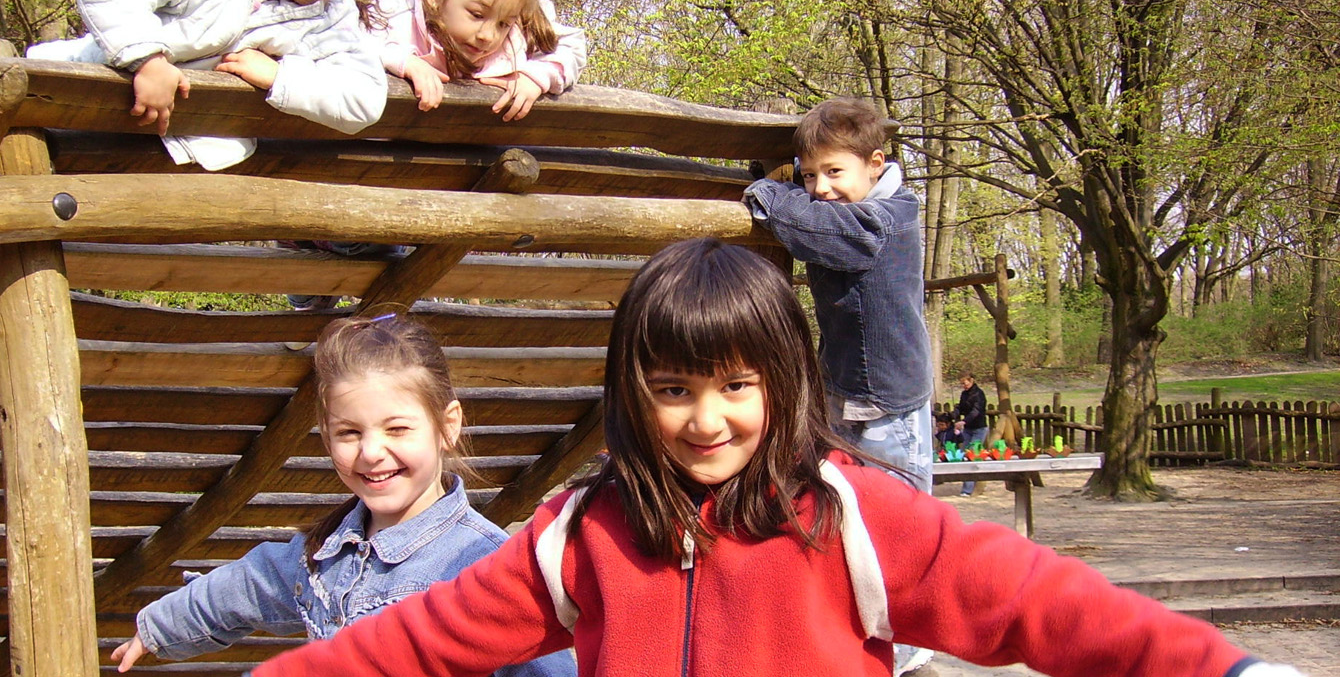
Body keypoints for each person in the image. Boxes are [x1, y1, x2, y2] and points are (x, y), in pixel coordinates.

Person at [248, 238, 1305, 677]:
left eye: (735, 387)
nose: (706, 419)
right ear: (634, 394)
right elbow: (422, 639)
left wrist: (1221, 666)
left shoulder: (851, 515)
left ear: (782, 385)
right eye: (672, 391)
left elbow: (1037, 598)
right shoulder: (586, 534)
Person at [109, 314, 574, 676]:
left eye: (397, 428)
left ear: (446, 426)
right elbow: (247, 587)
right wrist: (158, 629)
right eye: (349, 432)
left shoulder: (486, 564)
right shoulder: (325, 553)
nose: (372, 453)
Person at [742, 97, 935, 672]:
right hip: (849, 393)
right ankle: (856, 635)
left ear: (876, 163)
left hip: (889, 404)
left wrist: (770, 194)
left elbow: (822, 230)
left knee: (897, 526)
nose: (820, 188)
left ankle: (905, 653)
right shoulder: (853, 207)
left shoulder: (887, 216)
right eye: (808, 175)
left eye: (834, 172)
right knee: (844, 515)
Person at [27, 0, 389, 170]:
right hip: (77, 110)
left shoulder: (329, 10)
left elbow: (365, 97)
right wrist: (148, 60)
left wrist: (282, 77)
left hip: (185, 151)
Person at [370, 0, 587, 122]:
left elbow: (571, 46)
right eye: (477, 15)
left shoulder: (522, 25)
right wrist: (405, 62)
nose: (488, 36)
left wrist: (537, 76)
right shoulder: (394, 15)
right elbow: (348, 38)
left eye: (503, 24)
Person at [951, 372, 989, 496]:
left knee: (972, 454)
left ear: (971, 380)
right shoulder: (964, 394)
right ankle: (968, 486)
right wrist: (956, 412)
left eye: (965, 383)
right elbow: (962, 407)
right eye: (961, 383)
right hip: (967, 429)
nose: (963, 385)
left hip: (979, 428)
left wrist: (964, 421)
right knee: (963, 454)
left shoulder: (979, 394)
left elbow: (976, 411)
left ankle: (967, 490)